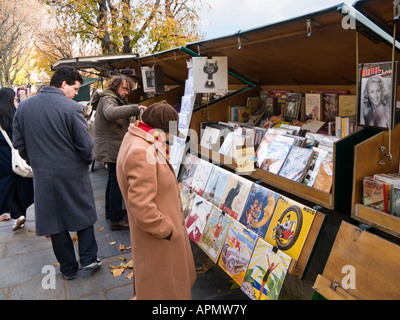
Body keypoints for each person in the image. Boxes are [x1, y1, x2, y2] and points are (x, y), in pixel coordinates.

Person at [13, 66, 101, 280]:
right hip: (73, 173)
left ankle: (68, 269)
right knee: (83, 213)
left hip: (43, 175)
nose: (75, 93)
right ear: (63, 84)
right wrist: (86, 162)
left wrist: (36, 162)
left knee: (54, 221)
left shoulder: (23, 108)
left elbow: (19, 143)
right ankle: (89, 259)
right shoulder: (70, 108)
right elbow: (86, 146)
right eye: (75, 88)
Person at [116, 100, 196, 300]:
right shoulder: (141, 151)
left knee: (158, 288)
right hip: (159, 241)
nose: (169, 140)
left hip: (157, 239)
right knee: (165, 292)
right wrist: (166, 230)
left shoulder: (138, 138)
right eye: (170, 134)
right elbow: (142, 206)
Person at [93, 76, 146, 230]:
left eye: (128, 90)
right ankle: (116, 219)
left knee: (112, 179)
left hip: (111, 145)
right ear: (115, 86)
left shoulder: (109, 97)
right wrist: (135, 108)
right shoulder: (109, 98)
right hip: (111, 147)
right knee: (116, 181)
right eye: (124, 88)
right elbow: (110, 113)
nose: (126, 92)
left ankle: (111, 210)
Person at [0, 87, 33, 231]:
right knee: (21, 186)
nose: (15, 100)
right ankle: (21, 215)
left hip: (3, 160)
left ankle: (17, 214)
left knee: (6, 188)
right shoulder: (18, 115)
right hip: (20, 158)